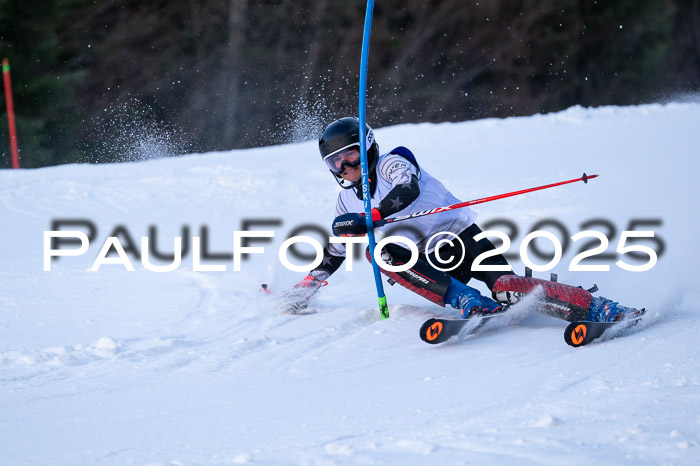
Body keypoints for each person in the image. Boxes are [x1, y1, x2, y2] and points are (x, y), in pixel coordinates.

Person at [282, 117, 643, 324]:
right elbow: (338, 248)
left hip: (461, 238)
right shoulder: (347, 197)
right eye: (335, 163)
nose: (345, 167)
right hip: (426, 263)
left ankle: (596, 307)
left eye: (350, 156)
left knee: (507, 287)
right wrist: (310, 283)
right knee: (385, 254)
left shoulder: (393, 162)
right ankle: (468, 299)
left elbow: (405, 190)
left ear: (369, 146)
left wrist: (372, 216)